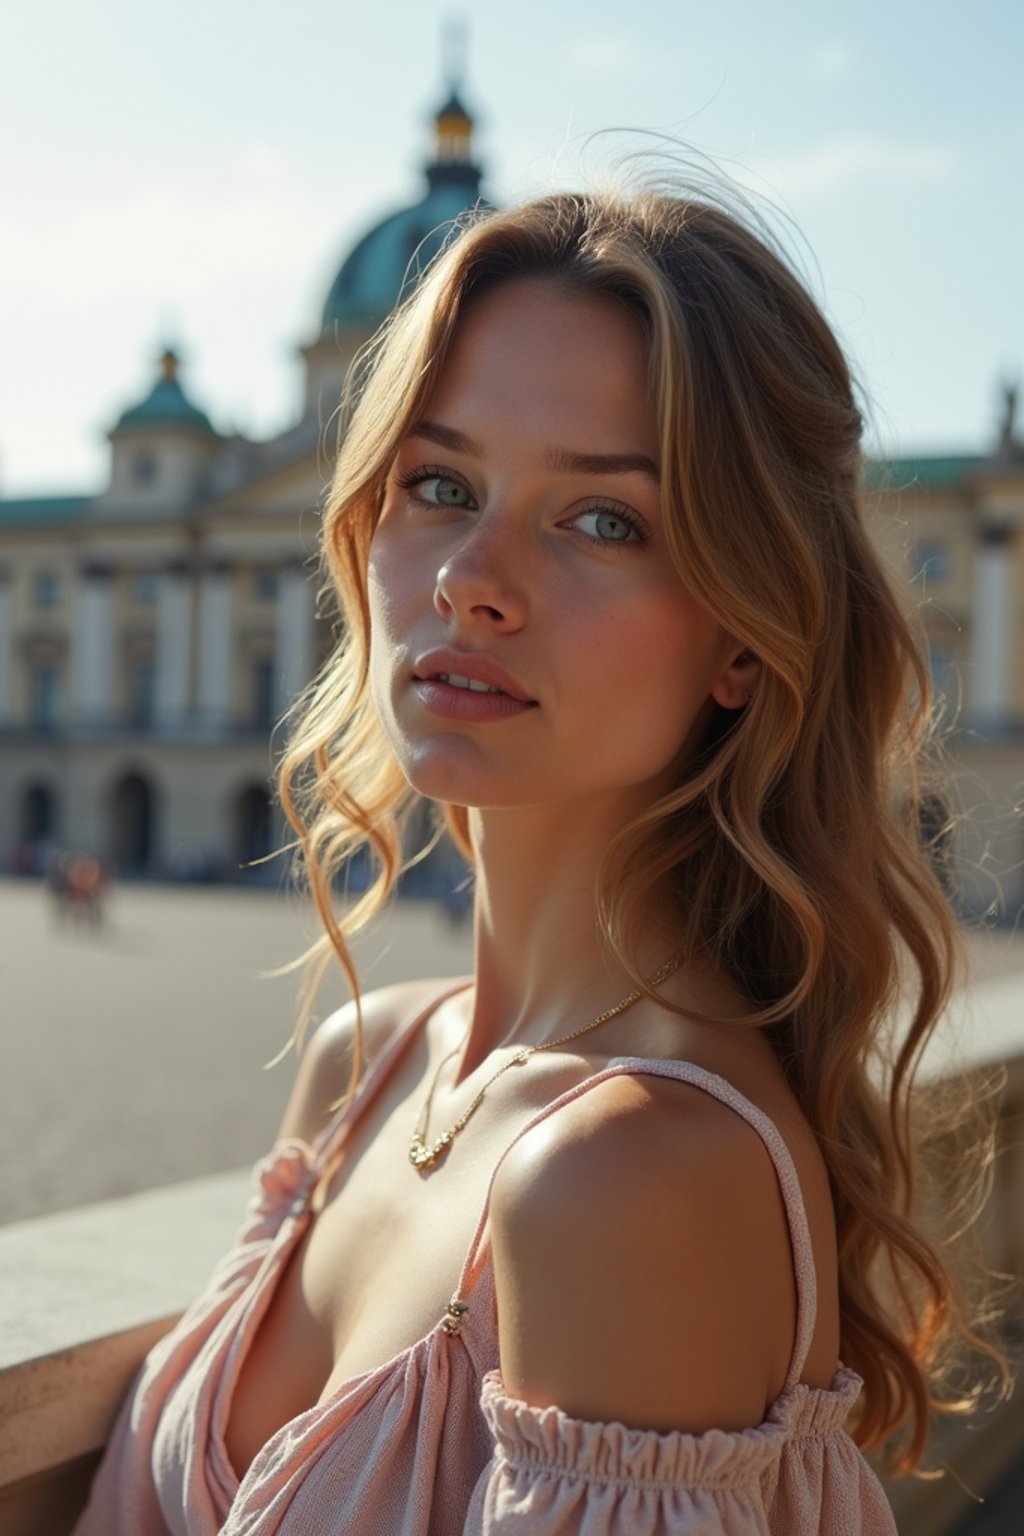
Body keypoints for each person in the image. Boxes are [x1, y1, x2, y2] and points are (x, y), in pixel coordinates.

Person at [72, 178, 1006, 1535]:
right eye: (439, 484)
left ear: (749, 632)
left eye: (602, 519)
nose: (469, 575)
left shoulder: (631, 1176)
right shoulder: (373, 1062)